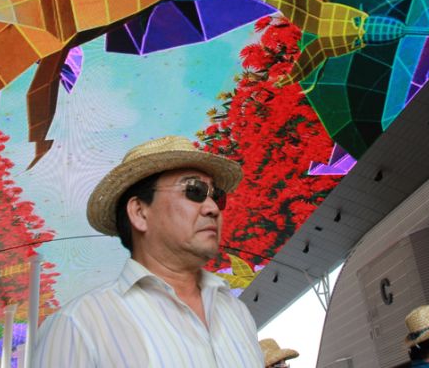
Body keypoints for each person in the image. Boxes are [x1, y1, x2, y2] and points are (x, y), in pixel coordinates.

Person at [33, 135, 263, 367]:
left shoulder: (237, 313)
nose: (213, 208)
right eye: (194, 190)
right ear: (140, 212)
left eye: (217, 196)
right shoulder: (77, 325)